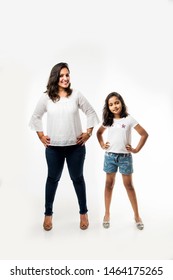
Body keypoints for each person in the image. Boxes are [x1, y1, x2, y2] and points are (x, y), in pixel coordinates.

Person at [29, 62, 99, 231]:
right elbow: (36, 116)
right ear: (55, 78)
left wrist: (88, 133)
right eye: (61, 76)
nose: (65, 78)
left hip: (76, 147)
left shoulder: (76, 95)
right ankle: (48, 214)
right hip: (53, 148)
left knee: (78, 179)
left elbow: (90, 112)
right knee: (52, 180)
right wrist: (40, 135)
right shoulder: (46, 97)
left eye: (67, 75)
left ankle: (83, 213)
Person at [96, 92, 148, 230]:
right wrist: (102, 144)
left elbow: (144, 134)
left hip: (125, 157)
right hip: (110, 156)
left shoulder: (129, 119)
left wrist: (136, 149)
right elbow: (98, 133)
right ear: (108, 107)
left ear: (122, 103)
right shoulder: (108, 120)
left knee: (129, 185)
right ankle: (107, 214)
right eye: (111, 104)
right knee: (109, 184)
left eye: (117, 103)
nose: (114, 106)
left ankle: (137, 215)